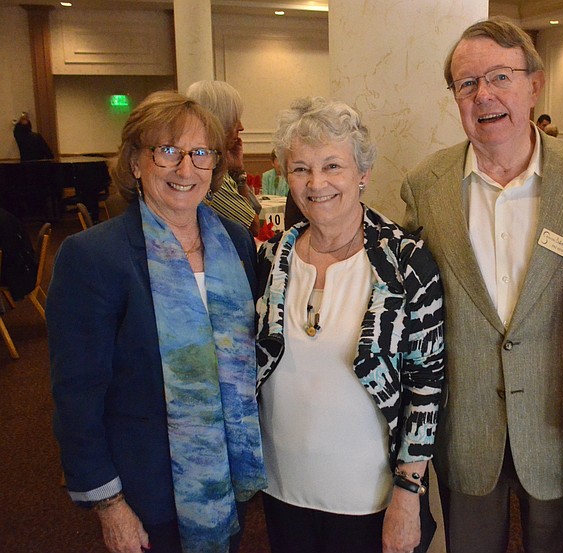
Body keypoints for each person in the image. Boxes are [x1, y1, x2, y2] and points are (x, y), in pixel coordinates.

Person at [401, 16, 563, 553]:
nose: (484, 95)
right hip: (467, 427)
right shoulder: (424, 187)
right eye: (467, 83)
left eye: (500, 77)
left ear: (535, 85)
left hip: (558, 425)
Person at [48, 90, 266, 553]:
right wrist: (110, 504)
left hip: (230, 474)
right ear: (135, 163)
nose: (185, 170)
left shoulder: (234, 243)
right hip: (146, 491)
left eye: (200, 153)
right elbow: (76, 396)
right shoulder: (93, 256)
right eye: (167, 151)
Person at [255, 96, 445, 553]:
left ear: (362, 173)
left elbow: (427, 385)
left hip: (370, 496)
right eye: (300, 168)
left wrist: (408, 492)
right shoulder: (270, 258)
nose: (316, 183)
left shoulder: (404, 262)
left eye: (332, 166)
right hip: (282, 485)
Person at [186, 80, 262, 236]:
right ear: (219, 122)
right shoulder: (206, 170)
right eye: (234, 119)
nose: (241, 127)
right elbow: (252, 226)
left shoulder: (216, 164)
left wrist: (237, 172)